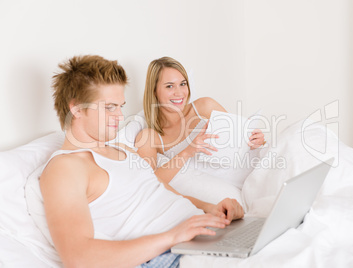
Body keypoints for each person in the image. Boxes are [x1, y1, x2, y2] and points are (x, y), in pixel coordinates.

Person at [39, 55, 243, 267]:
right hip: (170, 255)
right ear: (77, 109)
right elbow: (78, 258)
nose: (119, 117)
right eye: (110, 108)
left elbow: (162, 190)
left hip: (204, 237)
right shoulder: (65, 168)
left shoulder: (122, 149)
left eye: (120, 106)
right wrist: (173, 237)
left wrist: (213, 209)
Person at [135, 56, 265, 204]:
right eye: (169, 86)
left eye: (182, 84)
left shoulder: (204, 106)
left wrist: (257, 140)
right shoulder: (149, 137)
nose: (179, 93)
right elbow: (149, 182)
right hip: (230, 190)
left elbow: (240, 138)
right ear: (154, 91)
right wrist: (188, 151)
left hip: (254, 171)